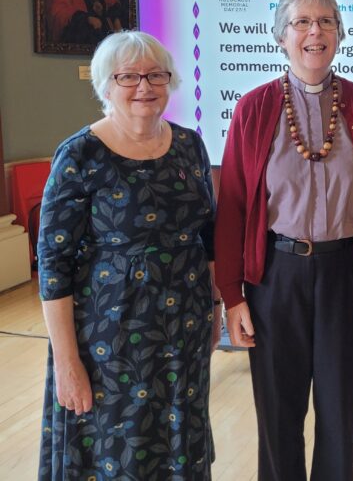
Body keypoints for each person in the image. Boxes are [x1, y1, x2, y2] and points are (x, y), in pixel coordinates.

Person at [215, 0, 353, 480]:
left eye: (325, 21)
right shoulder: (253, 108)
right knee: (278, 416)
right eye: (301, 21)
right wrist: (232, 297)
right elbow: (233, 206)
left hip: (349, 274)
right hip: (275, 278)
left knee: (342, 413)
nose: (314, 32)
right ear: (281, 35)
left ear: (340, 34)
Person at [37, 31, 219, 479]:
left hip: (185, 330)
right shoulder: (80, 154)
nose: (145, 86)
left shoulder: (189, 144)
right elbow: (53, 264)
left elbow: (207, 235)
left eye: (156, 74)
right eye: (129, 76)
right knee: (117, 449)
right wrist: (67, 362)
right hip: (110, 340)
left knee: (179, 440)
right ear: (105, 84)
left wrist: (214, 307)